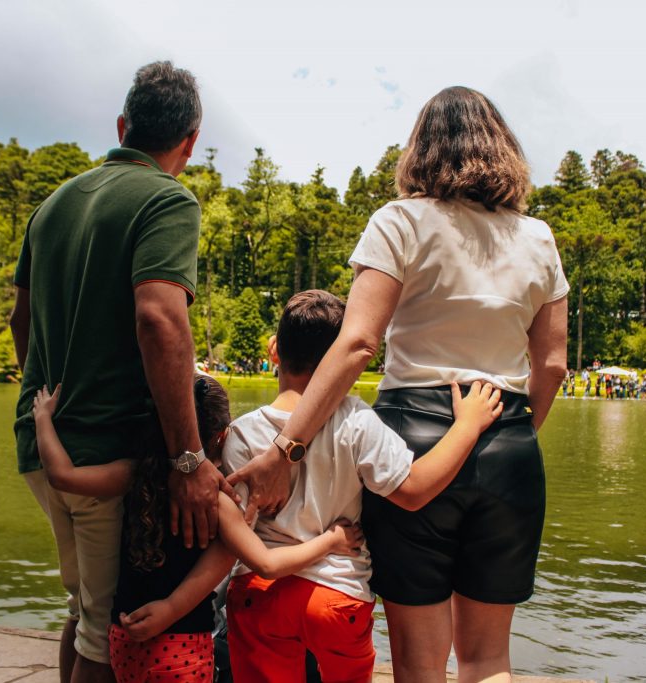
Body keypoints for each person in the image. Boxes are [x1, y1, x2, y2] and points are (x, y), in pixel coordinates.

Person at [228, 87, 568, 683]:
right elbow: (553, 365)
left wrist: (285, 450)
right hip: (509, 436)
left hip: (412, 440)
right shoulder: (538, 238)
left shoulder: (400, 221)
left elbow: (357, 344)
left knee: (418, 662)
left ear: (421, 150)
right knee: (489, 659)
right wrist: (507, 435)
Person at [9, 61, 234, 682]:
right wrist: (189, 460)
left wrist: (51, 393)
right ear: (190, 140)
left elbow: (19, 322)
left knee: (86, 612)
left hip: (42, 446)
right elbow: (160, 319)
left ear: (122, 126)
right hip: (106, 452)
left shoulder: (52, 206)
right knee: (108, 635)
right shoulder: (166, 198)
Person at [223, 290, 503, 683]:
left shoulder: (241, 432)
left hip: (260, 592)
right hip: (337, 593)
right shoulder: (354, 418)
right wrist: (467, 426)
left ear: (274, 350)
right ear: (338, 362)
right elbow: (413, 490)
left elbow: (233, 532)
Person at [31, 374, 363, 683]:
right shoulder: (219, 501)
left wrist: (43, 419)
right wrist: (332, 541)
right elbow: (267, 564)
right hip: (182, 648)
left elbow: (62, 476)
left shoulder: (133, 473)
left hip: (125, 638)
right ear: (221, 435)